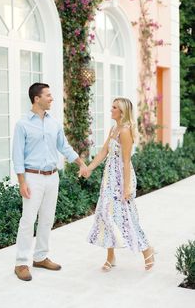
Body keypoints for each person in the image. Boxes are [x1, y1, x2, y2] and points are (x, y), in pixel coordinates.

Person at [12, 83, 87, 281]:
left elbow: (65, 147)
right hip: (32, 177)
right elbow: (17, 156)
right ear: (37, 98)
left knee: (47, 219)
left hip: (52, 177)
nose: (51, 98)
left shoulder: (54, 123)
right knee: (28, 220)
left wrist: (81, 163)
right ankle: (21, 263)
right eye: (48, 95)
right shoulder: (22, 124)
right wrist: (22, 182)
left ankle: (40, 257)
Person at [80, 97, 154, 271]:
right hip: (109, 178)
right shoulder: (114, 128)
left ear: (122, 111)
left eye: (114, 107)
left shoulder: (126, 131)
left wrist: (127, 187)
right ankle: (110, 257)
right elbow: (104, 151)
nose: (110, 109)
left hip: (121, 179)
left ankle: (147, 250)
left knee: (126, 217)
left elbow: (126, 161)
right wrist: (89, 168)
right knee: (105, 215)